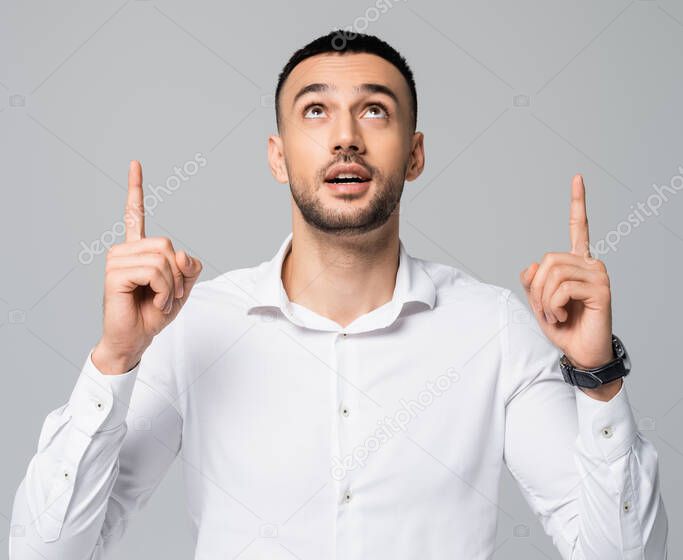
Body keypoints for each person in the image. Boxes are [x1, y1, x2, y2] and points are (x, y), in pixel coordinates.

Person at [10, 30, 669, 558]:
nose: (346, 136)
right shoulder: (196, 327)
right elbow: (47, 552)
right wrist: (114, 360)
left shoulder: (491, 329)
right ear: (277, 155)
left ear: (413, 155)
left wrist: (598, 378)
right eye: (316, 110)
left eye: (374, 110)